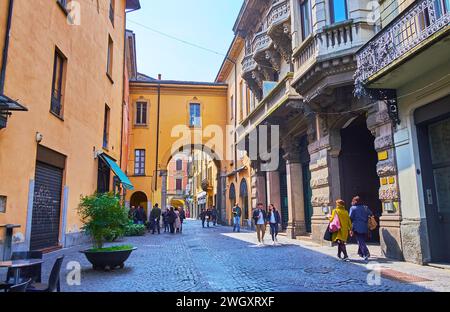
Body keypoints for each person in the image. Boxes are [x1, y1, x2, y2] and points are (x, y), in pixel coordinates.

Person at [349, 196, 372, 260]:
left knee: (360, 240)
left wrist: (350, 227)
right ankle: (360, 252)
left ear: (354, 201)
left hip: (356, 226)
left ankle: (366, 253)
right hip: (365, 226)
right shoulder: (365, 207)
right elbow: (371, 214)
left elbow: (350, 217)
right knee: (362, 239)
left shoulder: (353, 208)